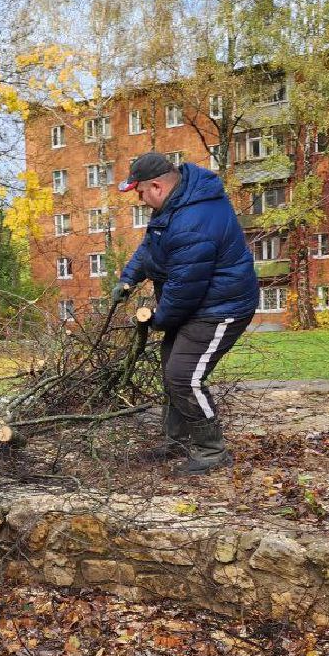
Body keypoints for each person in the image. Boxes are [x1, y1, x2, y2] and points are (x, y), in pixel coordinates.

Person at [111, 151, 259, 474]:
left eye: (140, 192)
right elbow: (150, 247)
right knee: (171, 369)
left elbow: (185, 288)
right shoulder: (173, 205)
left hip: (222, 307)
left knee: (184, 375)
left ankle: (212, 449)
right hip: (196, 303)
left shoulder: (194, 219)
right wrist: (127, 279)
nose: (139, 198)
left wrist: (157, 319)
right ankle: (175, 440)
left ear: (157, 187)